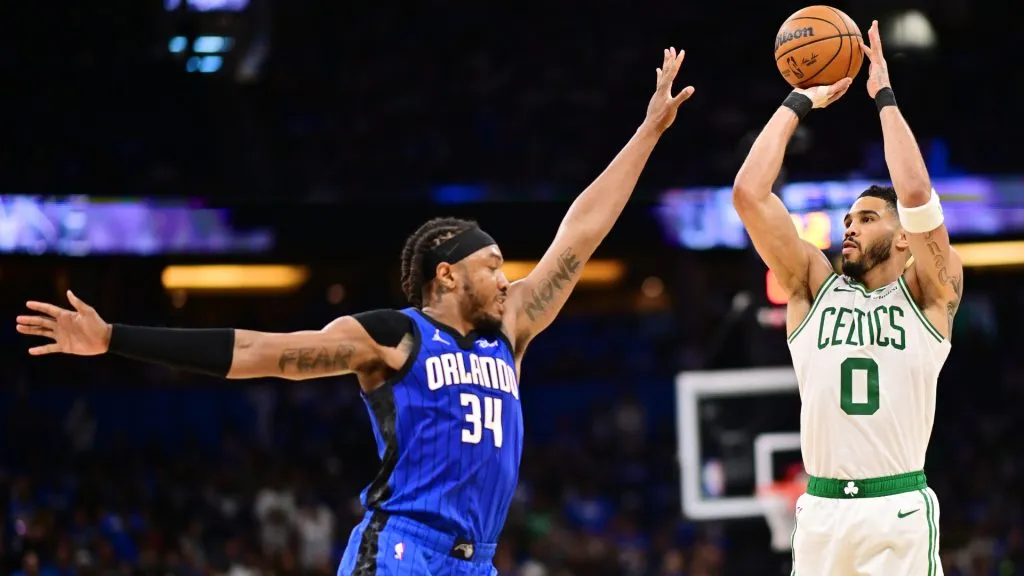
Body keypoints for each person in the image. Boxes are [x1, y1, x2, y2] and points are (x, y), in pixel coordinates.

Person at [16, 48, 695, 576]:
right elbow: (263, 353)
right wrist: (114, 339)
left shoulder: (509, 334)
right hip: (402, 550)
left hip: (479, 559)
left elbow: (578, 236)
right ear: (447, 273)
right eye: (492, 267)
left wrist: (648, 133)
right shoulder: (394, 338)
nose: (507, 278)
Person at [731, 22, 962, 576]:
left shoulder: (932, 294)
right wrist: (798, 100)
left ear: (904, 236)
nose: (849, 229)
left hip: (897, 506)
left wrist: (882, 94)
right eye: (846, 220)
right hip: (822, 511)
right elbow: (748, 194)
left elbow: (913, 193)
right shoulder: (812, 284)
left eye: (865, 218)